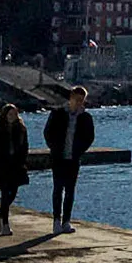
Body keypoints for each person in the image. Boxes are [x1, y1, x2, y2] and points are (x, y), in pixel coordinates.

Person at [43, 86, 95, 234]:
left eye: (81, 100)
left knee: (70, 190)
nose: (79, 103)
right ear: (71, 98)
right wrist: (54, 147)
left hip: (74, 158)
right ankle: (56, 221)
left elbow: (89, 137)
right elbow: (47, 132)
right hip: (58, 157)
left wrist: (79, 150)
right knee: (58, 189)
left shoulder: (86, 117)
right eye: (77, 99)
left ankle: (66, 221)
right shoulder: (57, 113)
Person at [0, 103, 29, 237]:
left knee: (13, 193)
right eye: (10, 114)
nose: (12, 117)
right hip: (2, 165)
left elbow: (25, 146)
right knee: (4, 193)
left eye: (15, 114)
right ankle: (5, 225)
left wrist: (23, 161)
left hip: (16, 165)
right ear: (4, 115)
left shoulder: (21, 129)